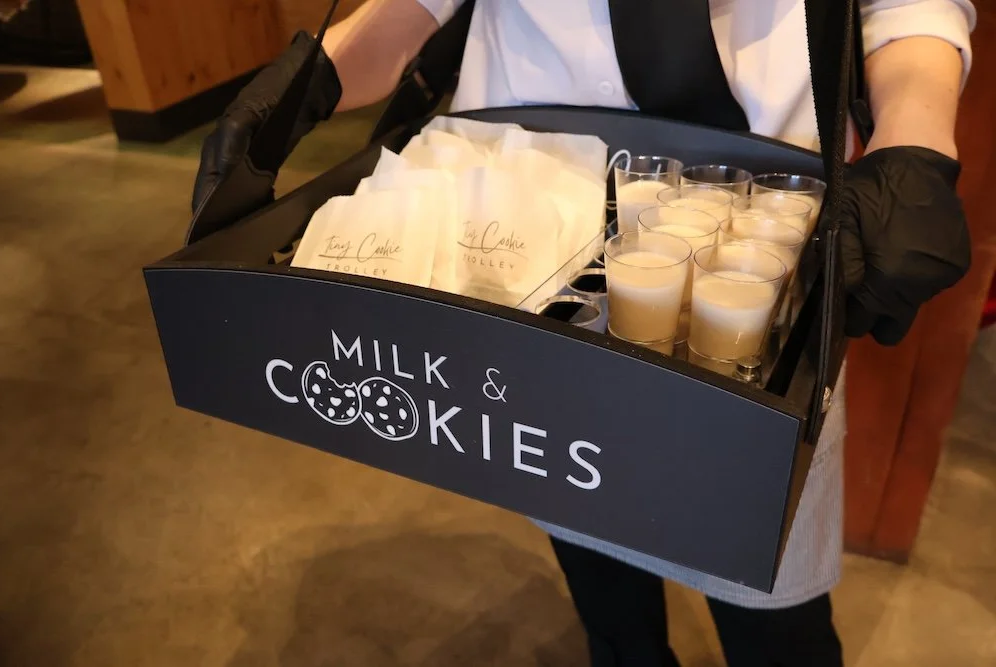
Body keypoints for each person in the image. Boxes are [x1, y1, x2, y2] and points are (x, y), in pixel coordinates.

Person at [192, 1, 975, 665]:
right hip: (527, 208)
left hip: (764, 208)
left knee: (764, 577)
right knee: (577, 495)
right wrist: (310, 79)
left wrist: (913, 138)